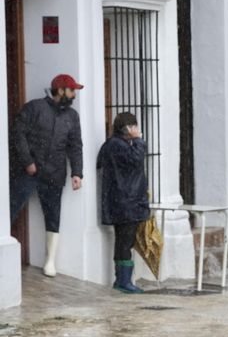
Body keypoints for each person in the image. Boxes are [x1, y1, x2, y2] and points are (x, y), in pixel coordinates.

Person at [9, 73, 84, 277]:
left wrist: (77, 172)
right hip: (28, 171)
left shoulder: (72, 116)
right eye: (72, 90)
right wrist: (28, 162)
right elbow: (18, 134)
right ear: (60, 90)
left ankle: (50, 261)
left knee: (53, 217)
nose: (74, 95)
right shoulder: (34, 108)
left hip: (55, 172)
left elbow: (75, 145)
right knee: (10, 208)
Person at [97, 112, 150, 294]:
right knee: (125, 242)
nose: (137, 130)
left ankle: (122, 279)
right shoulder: (118, 145)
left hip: (123, 201)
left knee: (123, 241)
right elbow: (135, 160)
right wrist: (139, 141)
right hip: (127, 202)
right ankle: (123, 281)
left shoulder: (114, 145)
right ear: (127, 128)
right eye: (134, 127)